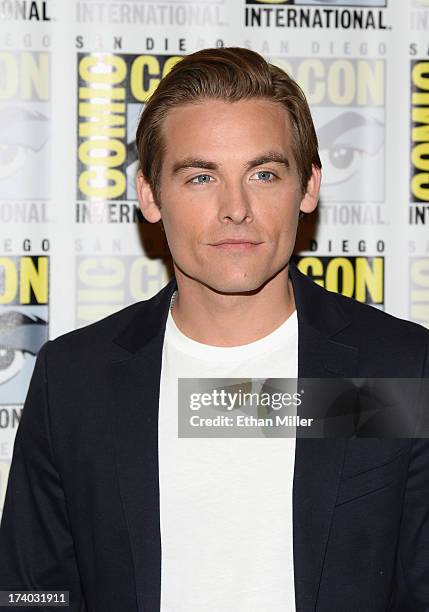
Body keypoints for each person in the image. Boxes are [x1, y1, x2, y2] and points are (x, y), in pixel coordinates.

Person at [0, 47, 428, 612]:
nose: (236, 208)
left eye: (264, 173)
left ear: (309, 188)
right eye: (201, 176)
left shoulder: (397, 367)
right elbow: (33, 593)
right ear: (150, 195)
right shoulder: (75, 379)